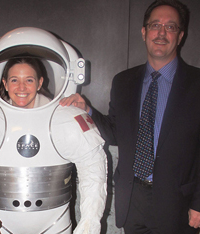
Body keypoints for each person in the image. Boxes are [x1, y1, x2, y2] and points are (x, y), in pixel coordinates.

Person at [60, 1, 200, 233]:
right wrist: (88, 110)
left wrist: (198, 202)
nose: (162, 32)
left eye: (171, 27)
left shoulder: (196, 84)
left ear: (181, 35)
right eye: (155, 25)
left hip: (178, 203)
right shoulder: (123, 82)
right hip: (132, 199)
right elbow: (115, 133)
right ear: (144, 32)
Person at [0, 56, 107, 234]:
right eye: (14, 80)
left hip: (55, 223)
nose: (22, 87)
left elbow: (93, 168)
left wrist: (90, 220)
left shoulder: (65, 118)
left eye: (29, 80)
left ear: (40, 83)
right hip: (0, 224)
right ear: (5, 83)